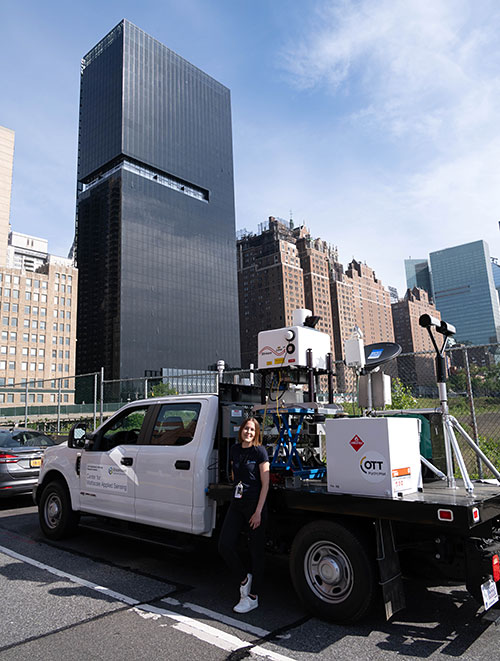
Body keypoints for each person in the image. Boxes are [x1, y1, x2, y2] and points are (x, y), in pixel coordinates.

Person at [218, 417, 270, 613]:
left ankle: (253, 597)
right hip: (237, 503)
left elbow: (265, 484)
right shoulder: (235, 449)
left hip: (254, 506)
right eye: (246, 429)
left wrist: (258, 512)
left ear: (256, 433)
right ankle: (244, 579)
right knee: (225, 544)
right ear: (241, 430)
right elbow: (235, 475)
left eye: (252, 430)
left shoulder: (260, 451)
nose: (248, 432)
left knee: (256, 552)